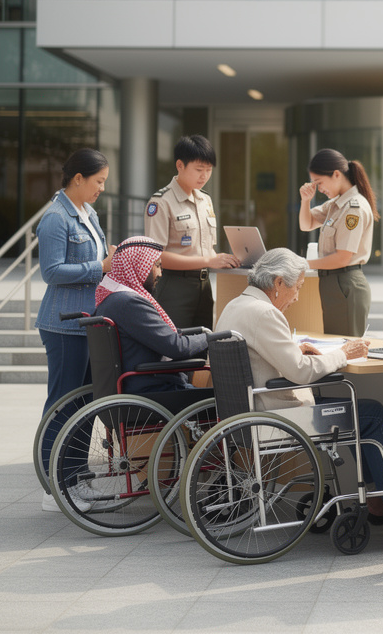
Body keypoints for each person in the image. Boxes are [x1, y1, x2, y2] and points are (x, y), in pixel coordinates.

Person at [215, 248, 383, 532]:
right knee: (372, 414)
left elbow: (261, 355)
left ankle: (378, 503)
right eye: (298, 287)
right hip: (277, 416)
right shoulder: (265, 313)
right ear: (279, 282)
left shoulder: (235, 306)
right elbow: (301, 372)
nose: (297, 296)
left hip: (246, 413)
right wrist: (344, 353)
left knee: (360, 413)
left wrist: (294, 349)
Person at [35, 149, 114, 512]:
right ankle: (56, 488)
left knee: (84, 404)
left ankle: (78, 479)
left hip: (87, 321)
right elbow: (51, 272)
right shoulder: (55, 218)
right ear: (78, 178)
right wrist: (100, 266)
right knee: (63, 405)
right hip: (63, 325)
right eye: (98, 181)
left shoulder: (88, 212)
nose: (102, 188)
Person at [92, 236, 212, 407]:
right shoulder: (129, 303)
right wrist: (210, 337)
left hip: (137, 387)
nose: (160, 273)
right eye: (157, 266)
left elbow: (163, 336)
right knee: (222, 400)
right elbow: (176, 347)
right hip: (152, 390)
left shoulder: (113, 299)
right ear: (138, 266)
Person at [145, 135, 239, 330]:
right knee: (173, 352)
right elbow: (156, 256)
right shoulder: (161, 202)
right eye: (199, 170)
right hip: (174, 286)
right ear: (180, 165)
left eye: (209, 170)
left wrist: (227, 259)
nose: (204, 176)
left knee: (201, 347)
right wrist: (209, 261)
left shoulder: (205, 200)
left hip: (204, 288)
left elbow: (207, 250)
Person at [298, 148, 378, 336]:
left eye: (319, 182)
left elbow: (342, 258)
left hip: (345, 284)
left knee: (346, 353)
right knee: (336, 350)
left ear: (336, 174)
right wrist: (305, 201)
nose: (319, 188)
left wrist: (303, 263)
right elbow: (306, 224)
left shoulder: (352, 208)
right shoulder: (336, 204)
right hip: (334, 284)